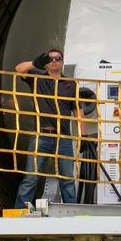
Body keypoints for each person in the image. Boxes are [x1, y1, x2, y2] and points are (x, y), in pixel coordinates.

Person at [14, 47, 78, 206]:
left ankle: (72, 212)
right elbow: (18, 69)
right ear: (46, 63)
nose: (54, 61)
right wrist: (34, 63)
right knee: (31, 177)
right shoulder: (37, 78)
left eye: (58, 58)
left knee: (67, 180)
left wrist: (84, 137)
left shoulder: (70, 84)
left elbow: (77, 109)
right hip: (40, 137)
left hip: (63, 138)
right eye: (51, 59)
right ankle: (19, 211)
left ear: (63, 63)